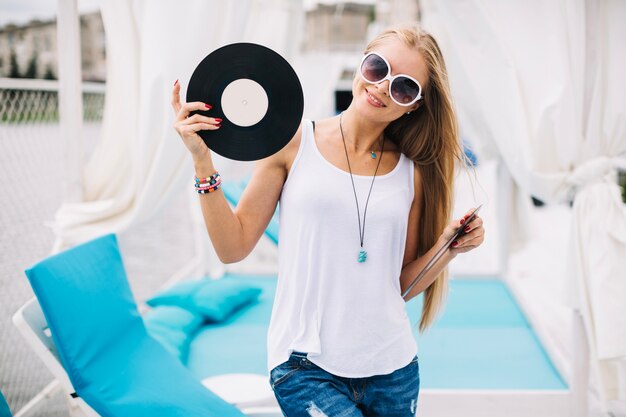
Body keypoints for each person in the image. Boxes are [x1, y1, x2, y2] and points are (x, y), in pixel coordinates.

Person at [171, 25, 485, 417]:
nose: (383, 87)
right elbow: (232, 247)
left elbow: (399, 287)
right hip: (303, 365)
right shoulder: (292, 143)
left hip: (393, 369)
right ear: (361, 63)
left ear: (415, 105)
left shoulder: (412, 173)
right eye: (377, 68)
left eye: (404, 87)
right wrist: (202, 161)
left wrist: (448, 247)